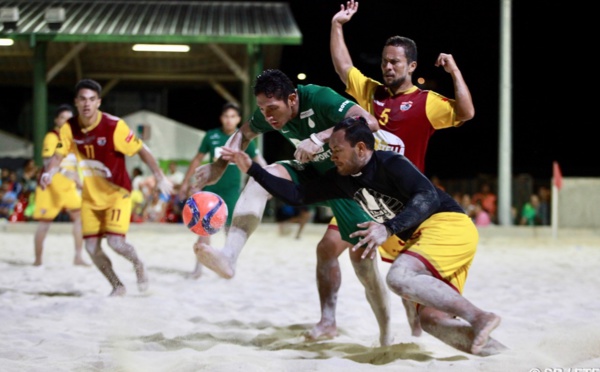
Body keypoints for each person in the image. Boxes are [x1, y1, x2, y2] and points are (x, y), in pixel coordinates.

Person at [221, 116, 505, 356]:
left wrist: (388, 227)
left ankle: (480, 317)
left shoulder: (390, 163)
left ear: (360, 148)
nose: (331, 156)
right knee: (431, 320)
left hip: (447, 225)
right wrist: (254, 170)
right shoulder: (341, 179)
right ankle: (498, 353)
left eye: (336, 150)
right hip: (424, 241)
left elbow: (428, 196)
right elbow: (297, 194)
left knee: (398, 277)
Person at [193, 69, 393, 346]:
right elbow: (243, 133)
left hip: (349, 184)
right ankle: (229, 256)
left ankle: (386, 334)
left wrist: (320, 137)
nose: (267, 116)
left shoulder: (320, 97)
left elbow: (369, 122)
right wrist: (218, 166)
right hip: (313, 174)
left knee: (364, 266)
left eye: (272, 108)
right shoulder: (269, 115)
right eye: (262, 109)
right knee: (259, 181)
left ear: (292, 99)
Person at [315, 0, 476, 341]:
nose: (387, 67)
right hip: (360, 195)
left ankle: (414, 326)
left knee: (408, 284)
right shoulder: (370, 92)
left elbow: (466, 112)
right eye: (385, 61)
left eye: (395, 62)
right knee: (328, 246)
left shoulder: (426, 102)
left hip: (403, 204)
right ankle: (328, 320)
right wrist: (337, 25)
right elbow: (344, 66)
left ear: (411, 65)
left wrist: (454, 71)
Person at [40, 79, 172, 296]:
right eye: (82, 99)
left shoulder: (114, 126)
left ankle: (138, 263)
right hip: (90, 198)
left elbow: (141, 149)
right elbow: (58, 155)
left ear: (99, 102)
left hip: (116, 194)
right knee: (91, 248)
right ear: (76, 102)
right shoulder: (69, 128)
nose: (87, 104)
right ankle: (117, 285)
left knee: (116, 243)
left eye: (92, 99)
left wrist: (159, 175)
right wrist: (49, 172)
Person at [179, 102, 267, 279]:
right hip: (210, 191)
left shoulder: (244, 139)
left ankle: (228, 263)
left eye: (233, 116)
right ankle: (198, 269)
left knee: (230, 231)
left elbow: (260, 161)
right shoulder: (211, 136)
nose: (229, 120)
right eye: (226, 116)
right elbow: (197, 160)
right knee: (204, 229)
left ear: (238, 119)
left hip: (232, 191)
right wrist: (185, 182)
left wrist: (270, 182)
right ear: (221, 118)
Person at [32, 104, 89, 267]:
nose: (66, 121)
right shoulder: (52, 137)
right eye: (63, 118)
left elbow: (74, 162)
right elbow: (47, 161)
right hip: (52, 185)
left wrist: (77, 178)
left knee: (78, 218)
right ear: (56, 120)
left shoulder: (70, 138)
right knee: (45, 223)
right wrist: (68, 175)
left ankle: (77, 257)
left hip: (67, 185)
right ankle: (38, 259)